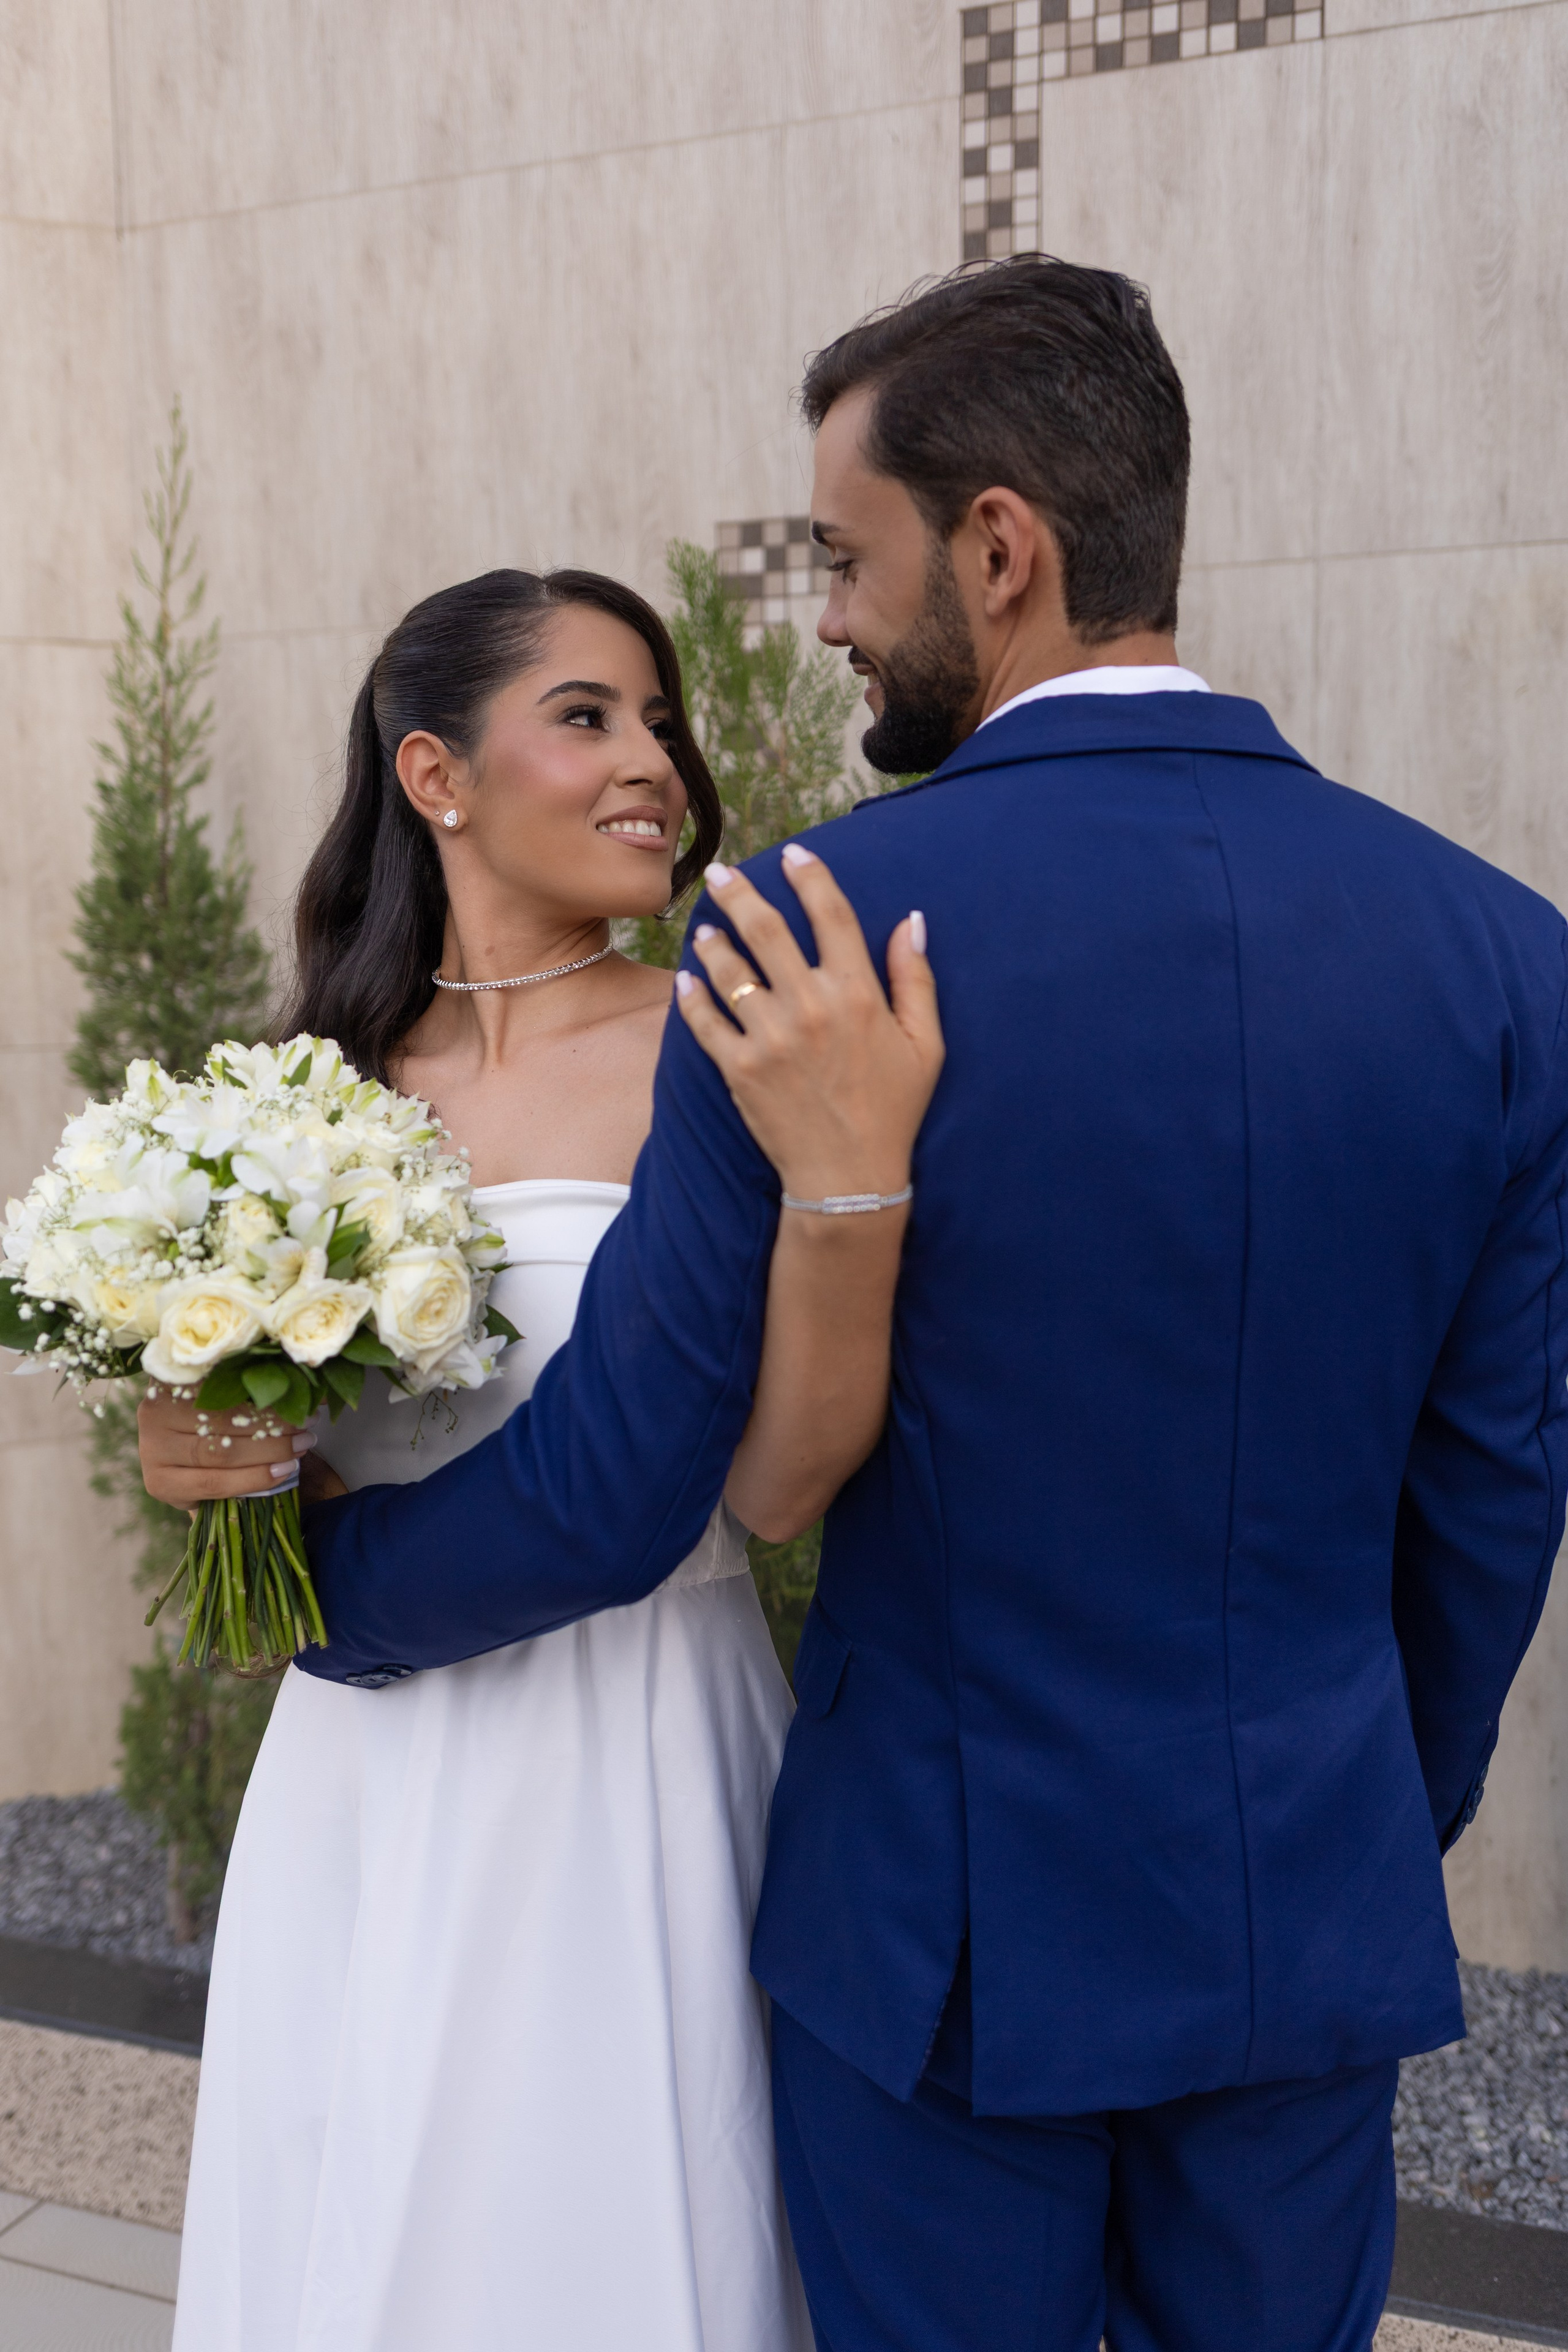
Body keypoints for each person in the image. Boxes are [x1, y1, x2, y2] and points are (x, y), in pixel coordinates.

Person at [239, 254, 1568, 2352]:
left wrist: (306, 1585)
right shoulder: (1505, 957)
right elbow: (1496, 1491)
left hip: (938, 1941)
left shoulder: (809, 931)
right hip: (1303, 1916)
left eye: (848, 561)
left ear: (1002, 550)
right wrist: (1345, 1814)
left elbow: (625, 1474)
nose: (834, 623)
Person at [136, 565, 943, 2352]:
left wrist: (849, 1197)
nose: (651, 759)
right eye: (587, 716)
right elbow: (240, 1460)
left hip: (635, 1753)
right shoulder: (298, 1087)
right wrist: (192, 1452)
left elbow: (781, 1477)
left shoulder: (722, 1050)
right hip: (362, 1784)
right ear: (437, 776)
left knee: (615, 2232)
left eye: (659, 719)